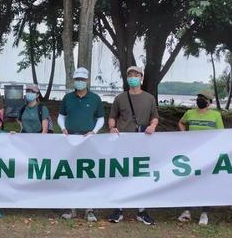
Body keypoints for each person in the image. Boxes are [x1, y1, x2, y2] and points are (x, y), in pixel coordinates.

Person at [107, 66, 159, 225]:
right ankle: (119, 209)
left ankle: (142, 211)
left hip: (142, 142)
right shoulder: (120, 98)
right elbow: (112, 117)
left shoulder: (149, 98)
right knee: (122, 175)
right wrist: (111, 127)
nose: (132, 77)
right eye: (130, 75)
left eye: (136, 75)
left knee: (141, 176)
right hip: (123, 142)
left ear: (141, 78)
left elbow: (155, 117)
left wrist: (153, 126)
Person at [57, 67, 104, 222]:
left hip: (88, 141)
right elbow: (61, 117)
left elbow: (101, 119)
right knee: (71, 173)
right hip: (70, 140)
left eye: (82, 80)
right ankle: (72, 207)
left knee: (87, 174)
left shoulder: (95, 98)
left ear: (87, 81)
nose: (79, 82)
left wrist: (94, 132)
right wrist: (63, 128)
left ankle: (89, 209)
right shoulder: (67, 98)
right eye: (77, 79)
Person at [176, 89, 224, 226]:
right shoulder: (190, 113)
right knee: (191, 181)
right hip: (193, 154)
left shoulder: (216, 115)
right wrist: (184, 133)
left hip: (209, 155)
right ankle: (187, 211)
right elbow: (181, 122)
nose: (200, 100)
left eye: (203, 98)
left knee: (207, 183)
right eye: (199, 97)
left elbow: (221, 134)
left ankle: (204, 213)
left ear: (209, 102)